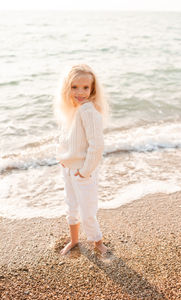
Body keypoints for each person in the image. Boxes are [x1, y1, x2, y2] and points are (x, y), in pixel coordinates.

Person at [54, 64, 110, 255]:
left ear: (92, 88)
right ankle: (74, 240)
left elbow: (97, 146)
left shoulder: (88, 111)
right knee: (70, 206)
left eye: (85, 87)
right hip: (69, 168)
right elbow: (65, 137)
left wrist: (85, 172)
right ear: (67, 87)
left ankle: (98, 242)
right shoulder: (72, 109)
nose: (80, 92)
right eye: (75, 87)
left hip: (83, 171)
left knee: (87, 211)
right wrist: (62, 157)